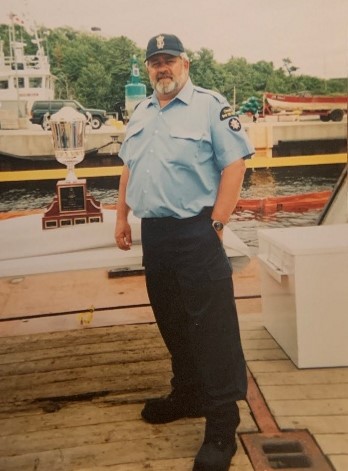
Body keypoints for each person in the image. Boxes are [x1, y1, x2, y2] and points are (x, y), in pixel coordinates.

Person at [115, 33, 254, 471]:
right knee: (172, 320)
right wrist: (121, 217)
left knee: (212, 330)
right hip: (155, 233)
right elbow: (128, 166)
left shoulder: (210, 106)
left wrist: (216, 222)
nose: (162, 68)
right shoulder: (141, 111)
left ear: (185, 63)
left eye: (169, 60)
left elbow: (235, 163)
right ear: (149, 67)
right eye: (155, 62)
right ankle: (188, 393)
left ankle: (221, 425)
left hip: (196, 231)